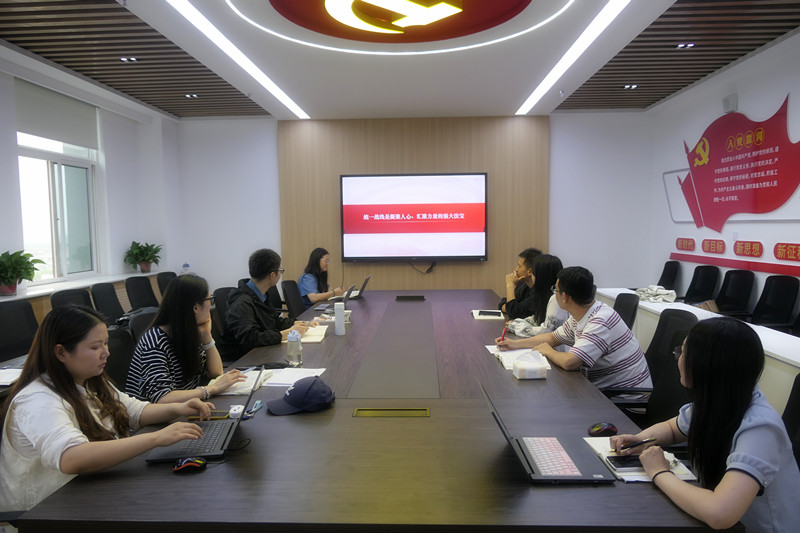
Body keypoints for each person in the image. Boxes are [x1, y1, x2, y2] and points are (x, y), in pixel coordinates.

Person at [0, 305, 214, 512]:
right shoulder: (37, 400)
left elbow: (134, 411)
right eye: (95, 347)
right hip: (46, 512)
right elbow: (71, 458)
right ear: (61, 352)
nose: (106, 353)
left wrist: (179, 409)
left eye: (105, 343)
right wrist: (157, 438)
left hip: (90, 489)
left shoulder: (89, 380)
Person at [611, 318, 800, 533]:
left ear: (705, 366)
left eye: (683, 352)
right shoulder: (723, 399)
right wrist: (642, 439)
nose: (678, 358)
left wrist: (659, 472)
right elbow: (673, 429)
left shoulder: (760, 428)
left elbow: (720, 514)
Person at [496, 266, 651, 390]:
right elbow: (552, 337)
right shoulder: (583, 313)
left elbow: (570, 362)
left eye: (555, 290)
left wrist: (548, 351)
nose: (554, 294)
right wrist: (515, 344)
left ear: (564, 297)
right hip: (601, 391)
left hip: (624, 401)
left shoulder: (600, 321)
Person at [125, 274, 246, 403]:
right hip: (159, 414)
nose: (211, 306)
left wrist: (207, 337)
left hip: (184, 407)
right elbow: (162, 398)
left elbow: (216, 372)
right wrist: (212, 389)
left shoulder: (189, 332)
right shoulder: (154, 342)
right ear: (196, 308)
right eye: (209, 300)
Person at [220, 248, 313, 360]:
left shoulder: (261, 294)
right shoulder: (241, 303)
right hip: (242, 361)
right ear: (272, 275)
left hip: (262, 353)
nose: (281, 273)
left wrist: (300, 323)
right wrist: (287, 333)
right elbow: (251, 339)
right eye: (281, 270)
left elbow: (275, 321)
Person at [505, 254, 568, 337]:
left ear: (540, 276)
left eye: (533, 273)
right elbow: (536, 319)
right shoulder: (543, 294)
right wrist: (517, 322)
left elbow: (546, 332)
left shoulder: (556, 299)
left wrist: (516, 327)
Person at [498, 247, 541, 319]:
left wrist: (510, 285)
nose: (516, 269)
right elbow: (504, 303)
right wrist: (510, 308)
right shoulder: (523, 284)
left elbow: (513, 312)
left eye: (519, 266)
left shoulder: (538, 293)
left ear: (530, 272)